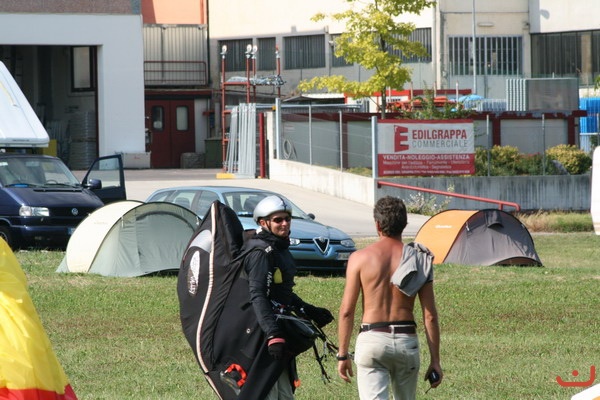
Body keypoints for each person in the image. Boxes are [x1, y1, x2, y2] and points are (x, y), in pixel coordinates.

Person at [337, 196, 442, 400]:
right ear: (404, 224)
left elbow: (347, 311)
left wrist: (342, 354)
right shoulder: (418, 259)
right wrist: (435, 360)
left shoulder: (359, 258)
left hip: (372, 339)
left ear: (377, 224)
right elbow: (430, 316)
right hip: (406, 341)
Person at [242, 195, 334, 400]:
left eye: (287, 219)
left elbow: (280, 293)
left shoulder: (278, 248)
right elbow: (258, 294)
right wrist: (273, 334)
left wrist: (308, 309)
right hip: (261, 332)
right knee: (266, 393)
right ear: (263, 223)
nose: (284, 223)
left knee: (285, 394)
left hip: (276, 329)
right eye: (278, 220)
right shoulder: (260, 252)